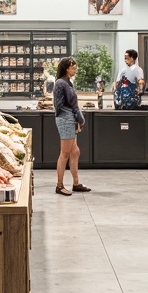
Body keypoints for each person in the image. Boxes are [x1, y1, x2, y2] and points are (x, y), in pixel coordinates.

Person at [53, 56, 89, 195]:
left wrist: (77, 117)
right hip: (65, 119)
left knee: (75, 152)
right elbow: (67, 105)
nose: (75, 69)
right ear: (66, 68)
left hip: (69, 118)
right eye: (73, 67)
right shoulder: (61, 83)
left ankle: (76, 183)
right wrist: (78, 117)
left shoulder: (68, 82)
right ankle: (59, 185)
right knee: (65, 153)